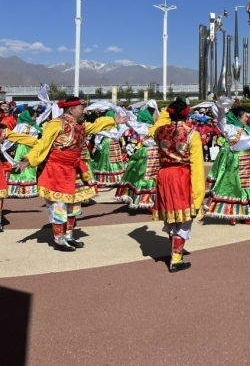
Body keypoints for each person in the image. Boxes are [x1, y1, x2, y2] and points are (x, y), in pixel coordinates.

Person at [14, 98, 126, 251]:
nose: (83, 111)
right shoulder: (56, 124)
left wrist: (113, 120)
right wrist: (28, 160)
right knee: (58, 204)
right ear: (71, 109)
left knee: (74, 204)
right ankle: (59, 239)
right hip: (57, 169)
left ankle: (69, 235)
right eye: (81, 108)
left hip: (74, 169)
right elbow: (43, 143)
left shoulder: (79, 125)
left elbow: (94, 126)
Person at [152, 98, 205, 272]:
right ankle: (176, 259)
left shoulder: (159, 131)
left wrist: (164, 116)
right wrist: (198, 196)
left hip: (164, 175)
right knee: (184, 218)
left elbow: (153, 128)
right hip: (181, 176)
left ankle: (176, 255)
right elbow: (197, 166)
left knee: (171, 217)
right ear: (186, 114)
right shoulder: (192, 134)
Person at [204, 102, 250, 224]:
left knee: (248, 188)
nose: (247, 118)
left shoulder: (247, 130)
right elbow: (221, 120)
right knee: (234, 187)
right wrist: (221, 107)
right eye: (245, 116)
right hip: (235, 161)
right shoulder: (229, 128)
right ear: (238, 117)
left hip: (248, 163)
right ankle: (232, 214)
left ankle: (245, 214)